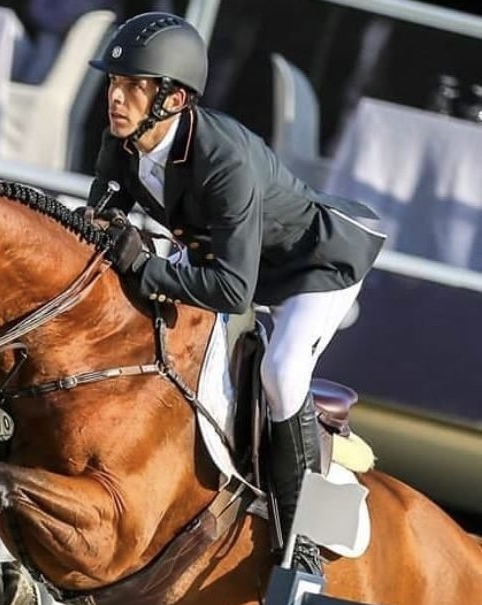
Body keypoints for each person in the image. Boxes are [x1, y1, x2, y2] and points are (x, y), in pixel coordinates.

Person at [85, 12, 385, 576]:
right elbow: (103, 221)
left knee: (283, 371)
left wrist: (145, 267)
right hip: (232, 256)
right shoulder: (122, 143)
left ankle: (300, 541)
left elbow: (229, 289)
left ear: (172, 100)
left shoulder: (222, 161)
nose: (116, 98)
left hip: (314, 264)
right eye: (113, 84)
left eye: (132, 87)